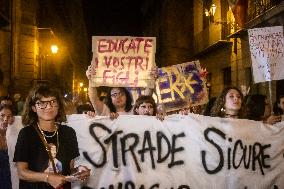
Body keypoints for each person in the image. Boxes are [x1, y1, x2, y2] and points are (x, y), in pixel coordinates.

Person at [13, 84, 90, 189]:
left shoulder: (68, 133)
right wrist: (47, 177)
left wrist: (79, 171)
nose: (49, 107)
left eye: (53, 102)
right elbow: (22, 172)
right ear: (33, 108)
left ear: (59, 105)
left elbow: (69, 169)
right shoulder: (26, 134)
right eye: (42, 103)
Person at [0, 104, 14, 189]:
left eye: (9, 116)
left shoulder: (13, 136)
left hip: (10, 180)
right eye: (2, 115)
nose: (5, 119)